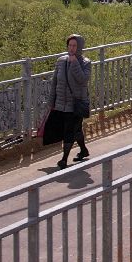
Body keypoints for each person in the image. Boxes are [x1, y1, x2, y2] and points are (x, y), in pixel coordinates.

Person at [43, 34, 92, 169]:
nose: (71, 48)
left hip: (76, 104)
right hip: (61, 103)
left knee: (69, 131)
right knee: (75, 130)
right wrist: (51, 102)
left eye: (74, 46)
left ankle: (64, 160)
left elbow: (82, 79)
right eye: (70, 45)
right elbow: (55, 83)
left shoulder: (86, 63)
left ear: (80, 47)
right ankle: (83, 150)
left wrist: (75, 62)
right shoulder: (60, 61)